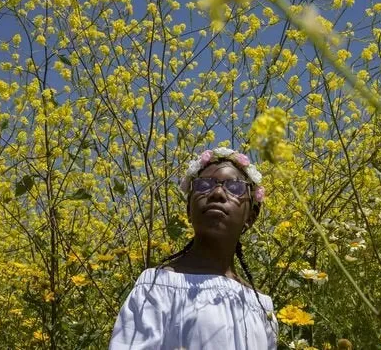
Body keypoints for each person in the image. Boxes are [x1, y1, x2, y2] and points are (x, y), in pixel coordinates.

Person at [109, 147, 278, 349]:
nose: (217, 193)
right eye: (203, 185)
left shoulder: (261, 306)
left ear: (251, 216)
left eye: (234, 187)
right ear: (189, 209)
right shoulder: (157, 287)